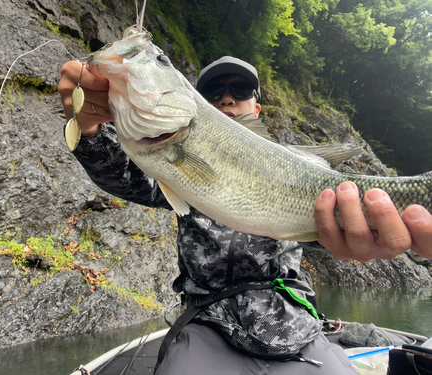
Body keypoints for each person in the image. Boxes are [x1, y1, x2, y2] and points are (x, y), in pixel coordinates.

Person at [58, 55, 432, 374]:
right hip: (206, 322)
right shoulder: (176, 164)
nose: (226, 100)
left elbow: (329, 236)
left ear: (256, 107)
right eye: (214, 94)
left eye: (239, 92)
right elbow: (126, 177)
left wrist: (371, 233)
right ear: (198, 104)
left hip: (293, 321)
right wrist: (89, 129)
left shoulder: (294, 166)